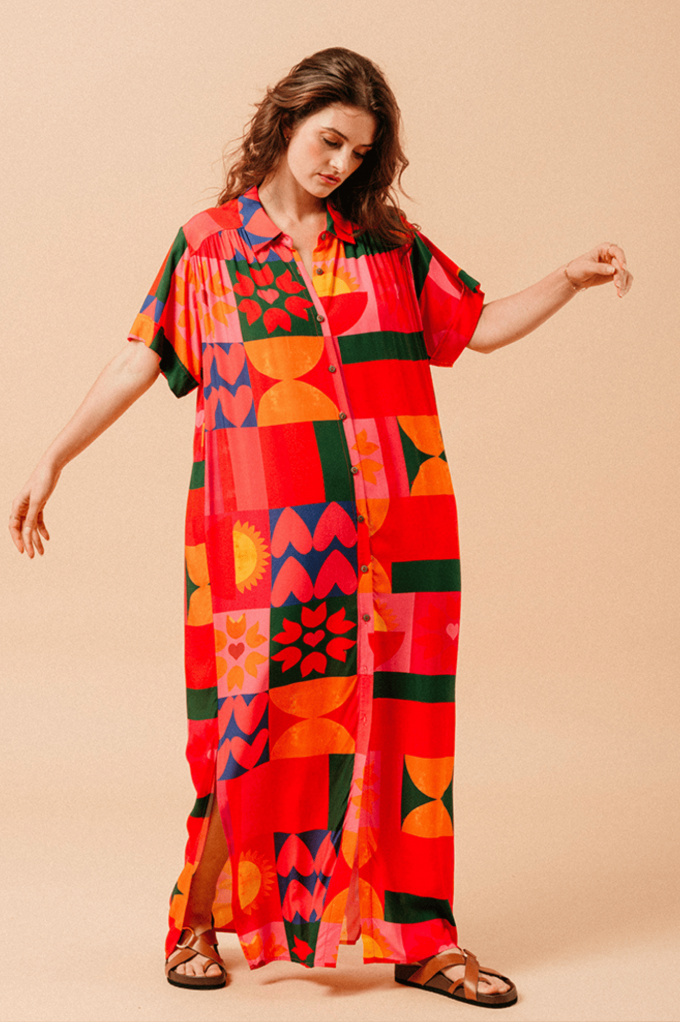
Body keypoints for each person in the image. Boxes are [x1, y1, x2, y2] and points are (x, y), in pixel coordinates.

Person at [9, 47, 631, 1009]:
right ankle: (199, 917)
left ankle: (420, 938)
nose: (339, 164)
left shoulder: (387, 245)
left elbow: (476, 328)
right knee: (250, 725)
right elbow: (141, 357)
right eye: (329, 140)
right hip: (264, 543)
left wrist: (570, 278)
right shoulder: (210, 247)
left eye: (358, 152)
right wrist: (53, 456)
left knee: (404, 729)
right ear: (285, 122)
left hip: (401, 536)